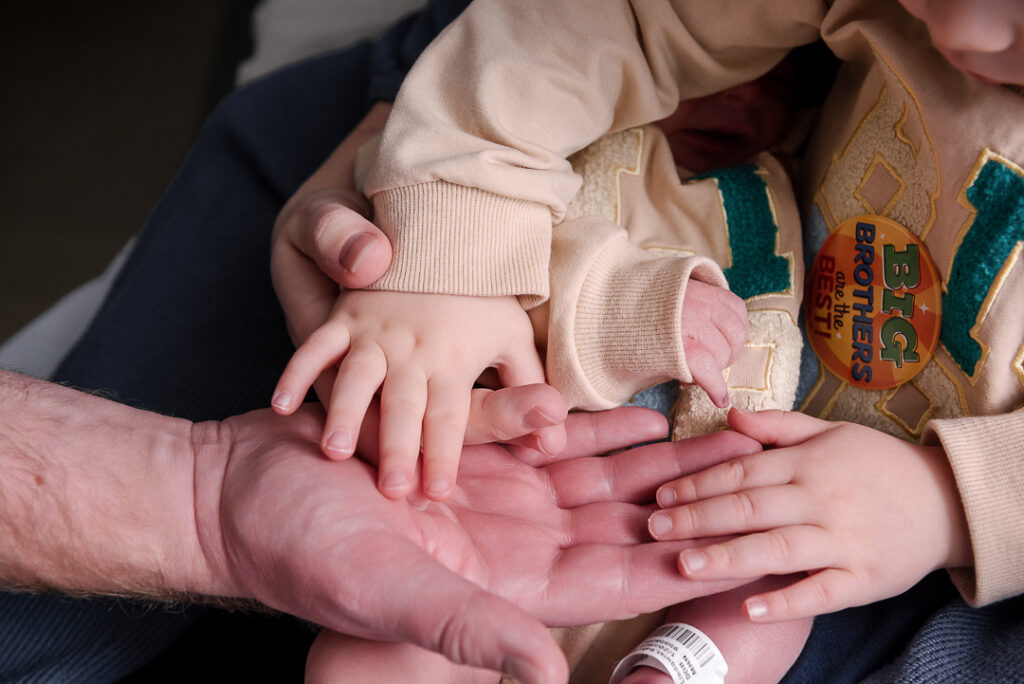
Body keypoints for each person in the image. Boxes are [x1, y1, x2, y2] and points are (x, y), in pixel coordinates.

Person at [305, 0, 1024, 681]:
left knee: (766, 594)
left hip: (776, 498)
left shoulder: (760, 175)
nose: (964, 33)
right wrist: (447, 243)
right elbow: (592, 31)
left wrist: (949, 501)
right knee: (364, 654)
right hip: (501, 480)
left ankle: (670, 670)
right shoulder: (606, 148)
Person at [293, 57, 819, 683]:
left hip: (687, 533)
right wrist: (624, 306)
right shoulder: (526, 131)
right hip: (477, 518)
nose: (745, 95)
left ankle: (675, 670)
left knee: (779, 571)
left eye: (780, 82)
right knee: (354, 668)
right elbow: (433, 236)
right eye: (713, 66)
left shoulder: (779, 194)